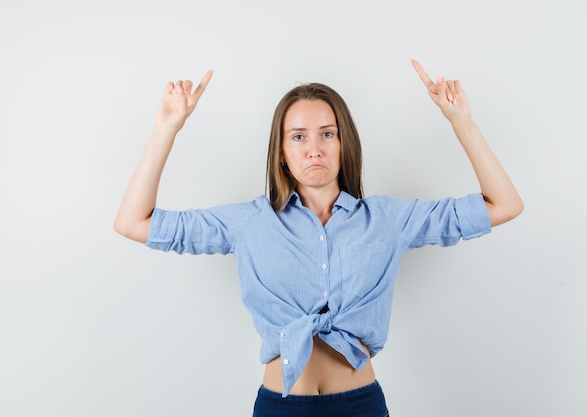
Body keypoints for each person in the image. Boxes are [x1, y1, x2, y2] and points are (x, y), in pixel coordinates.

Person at [114, 60, 523, 417]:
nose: (314, 149)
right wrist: (166, 130)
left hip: (361, 405)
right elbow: (134, 222)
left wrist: (462, 123)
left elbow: (503, 205)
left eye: (327, 134)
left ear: (344, 143)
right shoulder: (249, 223)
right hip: (280, 406)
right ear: (281, 152)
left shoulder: (388, 220)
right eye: (298, 136)